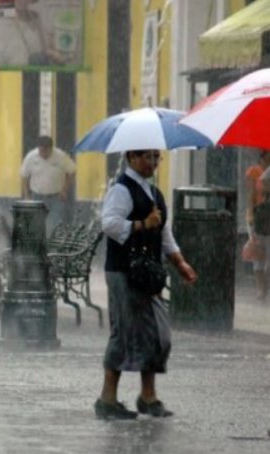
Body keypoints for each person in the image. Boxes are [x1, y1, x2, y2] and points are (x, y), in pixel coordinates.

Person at [95, 149, 197, 420]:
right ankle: (107, 399)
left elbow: (165, 234)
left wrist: (180, 263)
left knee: (158, 335)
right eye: (147, 157)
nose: (152, 163)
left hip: (148, 275)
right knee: (124, 333)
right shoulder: (121, 190)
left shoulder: (155, 194)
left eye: (156, 157)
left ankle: (147, 396)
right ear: (131, 157)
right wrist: (142, 224)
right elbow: (109, 225)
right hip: (123, 272)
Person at [20, 135, 76, 236]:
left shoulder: (61, 156)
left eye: (46, 151)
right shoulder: (31, 157)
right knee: (36, 225)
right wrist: (27, 196)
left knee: (54, 225)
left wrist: (65, 189)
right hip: (37, 196)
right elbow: (25, 176)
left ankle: (51, 247)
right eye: (41, 151)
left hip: (55, 197)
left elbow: (71, 171)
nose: (43, 154)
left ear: (51, 148)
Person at [244, 151, 270, 299]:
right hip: (258, 217)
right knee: (258, 254)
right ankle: (261, 289)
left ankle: (266, 287)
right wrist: (252, 216)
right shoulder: (254, 172)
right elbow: (250, 195)